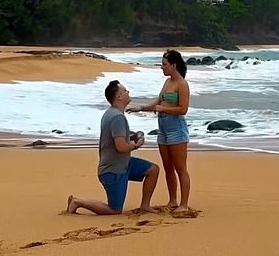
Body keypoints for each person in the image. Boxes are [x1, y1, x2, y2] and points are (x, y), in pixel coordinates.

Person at [66, 80, 159, 215]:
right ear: (119, 96)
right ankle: (78, 202)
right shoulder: (116, 117)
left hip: (124, 164)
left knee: (153, 170)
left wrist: (135, 135)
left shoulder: (113, 114)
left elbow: (118, 136)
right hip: (113, 171)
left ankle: (145, 205)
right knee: (115, 210)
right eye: (125, 91)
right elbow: (121, 146)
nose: (128, 93)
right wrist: (135, 145)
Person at [127, 49, 191, 214]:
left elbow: (183, 109)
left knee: (180, 168)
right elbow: (158, 101)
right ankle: (173, 200)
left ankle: (184, 204)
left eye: (164, 64)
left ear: (173, 65)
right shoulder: (168, 82)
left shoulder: (182, 84)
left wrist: (162, 108)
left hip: (176, 130)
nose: (162, 67)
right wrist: (141, 107)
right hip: (163, 130)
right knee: (167, 167)